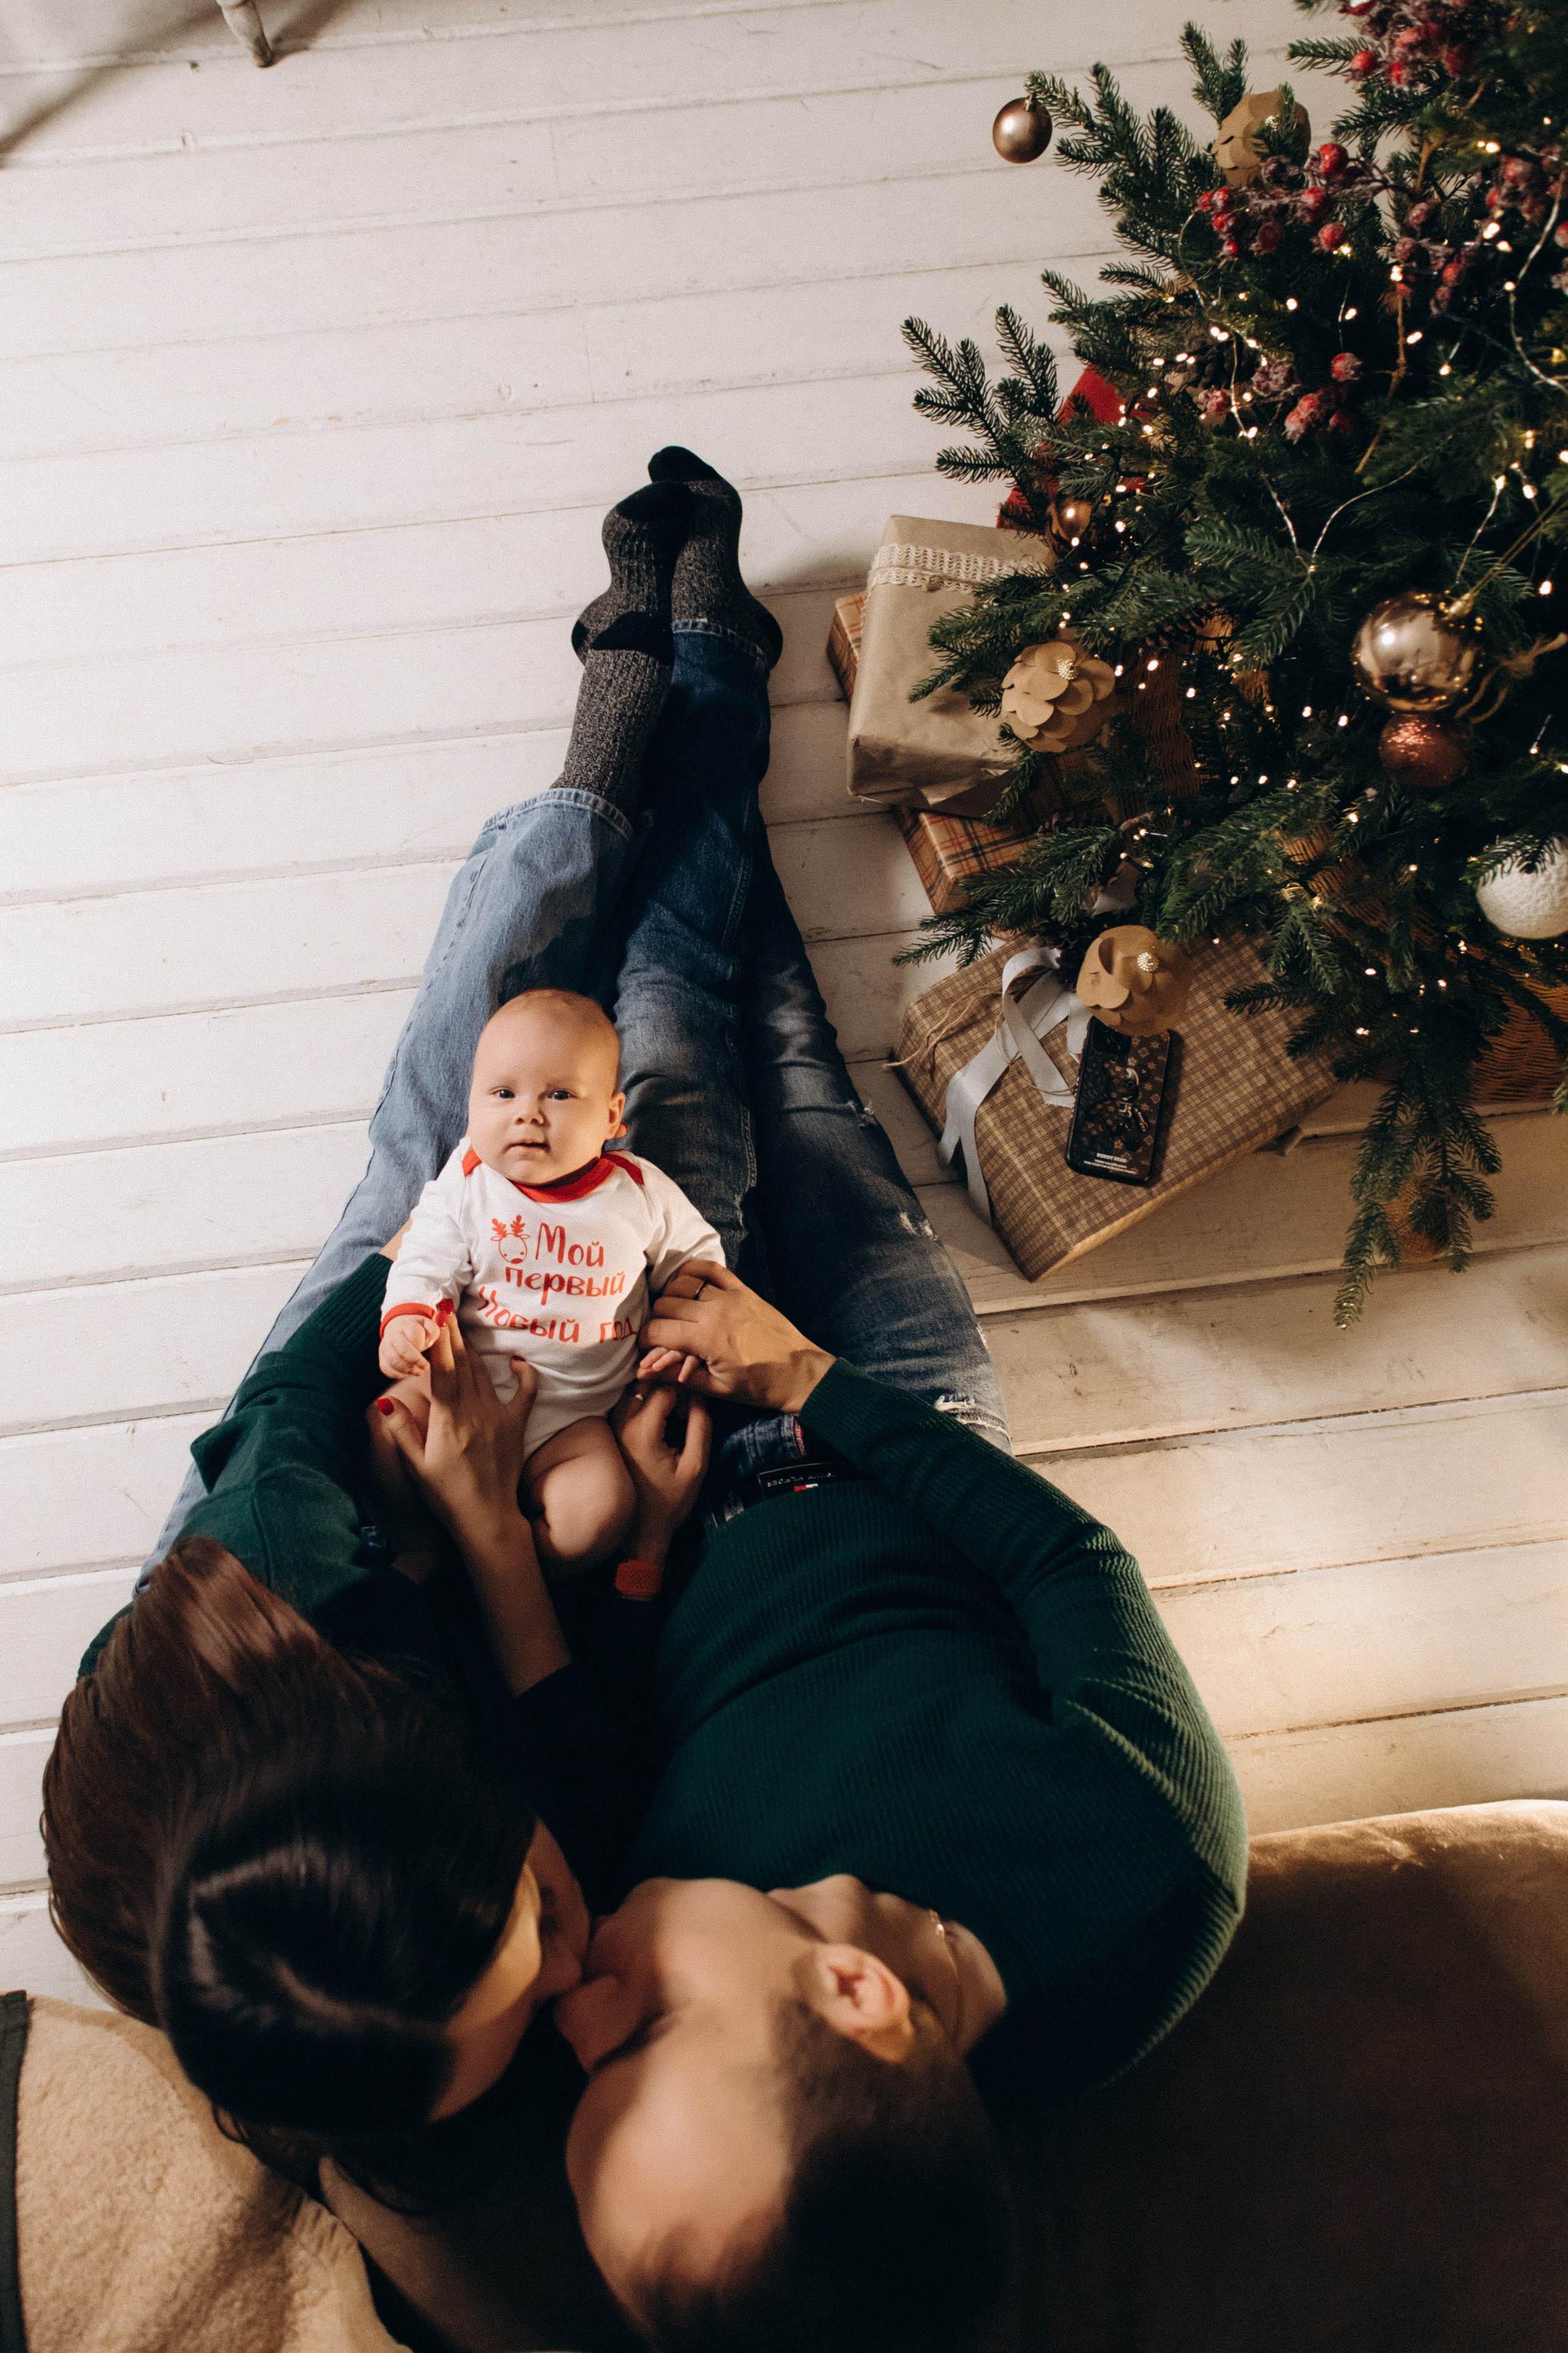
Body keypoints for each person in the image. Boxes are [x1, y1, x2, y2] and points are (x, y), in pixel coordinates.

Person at [47, 450, 1247, 2352]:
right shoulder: (1116, 1895)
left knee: (525, 1078)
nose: (579, 1980)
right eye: (602, 2026)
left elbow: (558, 1735)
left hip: (498, 1432)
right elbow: (1038, 1567)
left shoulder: (335, 1681)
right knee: (758, 1048)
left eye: (546, 1985)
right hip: (797, 1440)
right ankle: (691, 702)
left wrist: (481, 1287)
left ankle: (651, 706)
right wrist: (779, 1391)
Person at [377, 984, 722, 1577]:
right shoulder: (470, 1180)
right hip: (462, 1393)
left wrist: (685, 1330)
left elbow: (699, 1261)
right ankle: (417, 1541)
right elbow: (424, 1252)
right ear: (471, 1105)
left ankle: (525, 1570)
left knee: (601, 1510)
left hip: (574, 1423)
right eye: (503, 1092)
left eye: (559, 1094)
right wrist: (409, 1314)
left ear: (612, 1117)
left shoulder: (637, 1191)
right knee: (386, 1427)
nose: (528, 1113)